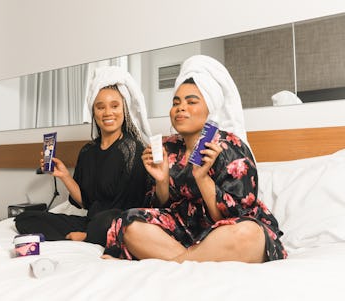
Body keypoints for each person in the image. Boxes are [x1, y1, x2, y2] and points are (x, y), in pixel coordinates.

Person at [102, 55, 287, 262]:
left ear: (210, 109)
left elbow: (231, 218)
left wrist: (202, 178)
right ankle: (194, 260)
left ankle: (178, 261)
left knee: (248, 234)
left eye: (191, 102)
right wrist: (161, 180)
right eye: (176, 102)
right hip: (183, 233)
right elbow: (158, 208)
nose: (181, 107)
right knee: (129, 223)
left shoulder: (230, 147)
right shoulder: (169, 147)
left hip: (223, 233)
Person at [15, 66, 151, 246]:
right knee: (25, 219)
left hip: (117, 223)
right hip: (90, 221)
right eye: (100, 107)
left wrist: (97, 227)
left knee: (109, 218)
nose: (108, 113)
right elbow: (85, 202)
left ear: (124, 109)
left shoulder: (133, 149)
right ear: (94, 112)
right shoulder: (88, 151)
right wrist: (64, 176)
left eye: (115, 106)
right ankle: (84, 233)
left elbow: (132, 209)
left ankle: (88, 236)